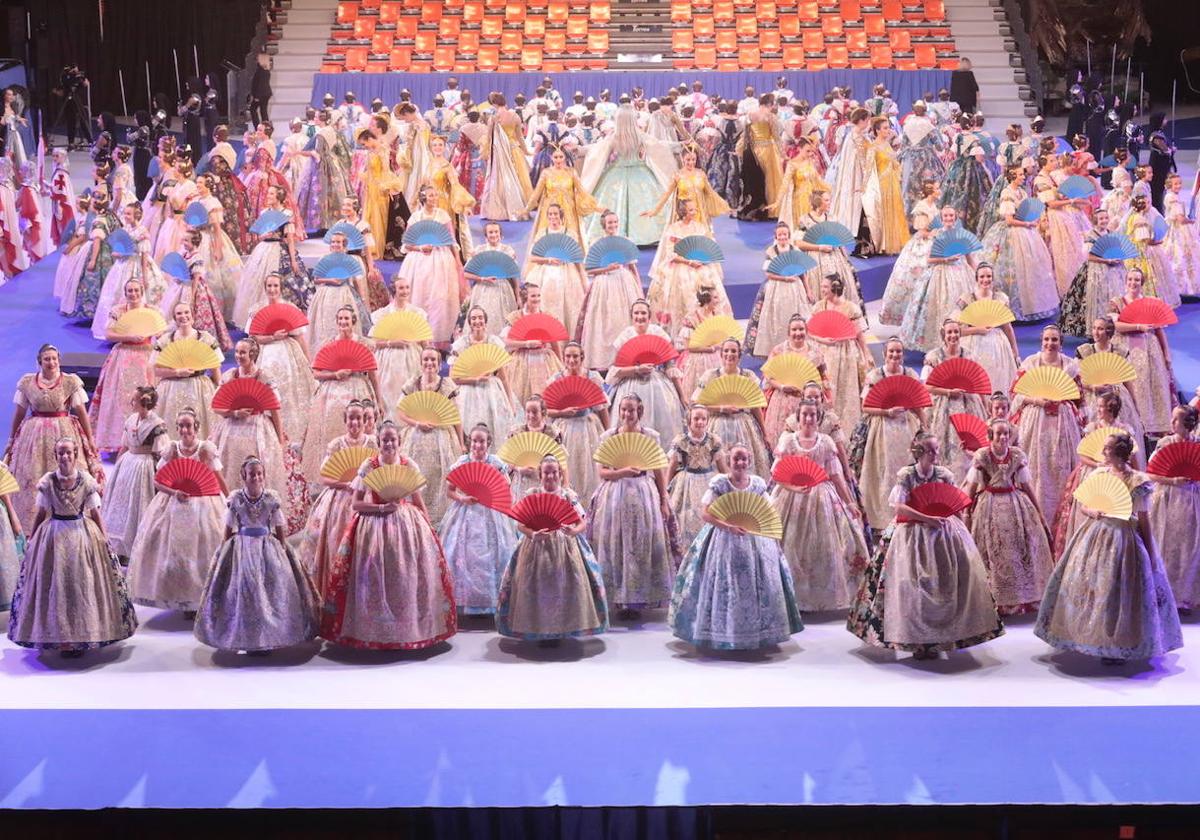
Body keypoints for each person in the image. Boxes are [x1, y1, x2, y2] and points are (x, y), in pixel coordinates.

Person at [848, 433, 1003, 659]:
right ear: (919, 453)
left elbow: (953, 504)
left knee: (948, 581)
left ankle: (944, 635)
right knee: (911, 583)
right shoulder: (907, 475)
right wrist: (926, 518)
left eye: (937, 449)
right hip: (910, 533)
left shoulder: (944, 475)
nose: (936, 454)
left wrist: (962, 527)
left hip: (942, 532)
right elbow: (899, 507)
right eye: (931, 450)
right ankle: (915, 639)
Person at [1035, 432, 1182, 664]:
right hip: (1096, 534)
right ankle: (1090, 637)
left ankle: (1118, 643)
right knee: (1092, 588)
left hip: (1125, 539)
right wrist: (1093, 512)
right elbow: (1084, 505)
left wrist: (1152, 554)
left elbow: (1144, 520)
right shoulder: (1100, 474)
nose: (1103, 452)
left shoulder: (1137, 481)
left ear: (1117, 453)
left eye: (1106, 449)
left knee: (1118, 590)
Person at [321, 421, 457, 650]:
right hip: (372, 527)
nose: (389, 444)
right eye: (385, 440)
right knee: (372, 575)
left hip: (406, 527)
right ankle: (372, 633)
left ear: (399, 442)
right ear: (379, 442)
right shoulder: (369, 465)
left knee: (407, 576)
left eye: (393, 439)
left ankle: (408, 632)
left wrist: (428, 531)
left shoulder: (408, 464)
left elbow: (418, 502)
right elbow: (356, 504)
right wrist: (381, 509)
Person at [7, 437, 137, 657]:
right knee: (56, 585)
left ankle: (83, 635)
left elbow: (95, 513)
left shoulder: (85, 481)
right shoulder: (48, 482)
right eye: (61, 453)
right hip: (54, 536)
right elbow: (40, 513)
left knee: (82, 583)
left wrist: (105, 540)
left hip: (81, 535)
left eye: (69, 452)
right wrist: (32, 540)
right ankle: (59, 637)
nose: (65, 457)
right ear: (55, 456)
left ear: (75, 455)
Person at [669, 444, 803, 650]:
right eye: (736, 459)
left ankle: (758, 632)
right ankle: (723, 632)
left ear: (749, 461)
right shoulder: (720, 484)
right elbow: (705, 513)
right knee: (724, 582)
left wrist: (773, 540)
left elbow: (767, 512)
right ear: (729, 461)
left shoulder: (757, 484)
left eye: (744, 459)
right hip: (722, 541)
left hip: (755, 542)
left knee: (759, 581)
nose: (740, 463)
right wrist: (728, 526)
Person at [194, 455, 320, 655]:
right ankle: (245, 635)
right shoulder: (236, 499)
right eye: (252, 474)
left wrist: (283, 549)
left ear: (264, 476)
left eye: (259, 474)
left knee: (270, 588)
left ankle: (269, 636)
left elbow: (279, 529)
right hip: (242, 547)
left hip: (266, 546)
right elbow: (229, 528)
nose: (256, 477)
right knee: (244, 589)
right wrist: (224, 551)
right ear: (244, 476)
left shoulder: (271, 499)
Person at [127, 407, 228, 613]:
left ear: (196, 427)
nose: (184, 430)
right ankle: (179, 597)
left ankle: (201, 597)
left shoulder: (206, 449)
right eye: (181, 426)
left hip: (203, 504)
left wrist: (228, 499)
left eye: (188, 425)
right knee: (172, 550)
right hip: (174, 504)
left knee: (205, 547)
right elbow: (158, 481)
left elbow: (217, 479)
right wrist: (174, 493)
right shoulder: (172, 449)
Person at [496, 454, 608, 642]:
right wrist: (533, 534)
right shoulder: (532, 494)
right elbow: (521, 524)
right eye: (546, 473)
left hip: (565, 546)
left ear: (560, 474)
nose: (550, 477)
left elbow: (582, 522)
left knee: (565, 586)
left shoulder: (568, 495)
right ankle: (539, 629)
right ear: (540, 474)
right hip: (535, 547)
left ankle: (562, 629)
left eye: (554, 472)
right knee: (535, 588)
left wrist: (573, 532)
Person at [773, 400, 868, 612]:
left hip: (823, 497)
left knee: (829, 545)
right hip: (791, 497)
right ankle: (790, 597)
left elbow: (835, 476)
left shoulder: (825, 442)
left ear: (818, 418)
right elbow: (778, 475)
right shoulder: (789, 441)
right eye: (805, 414)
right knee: (788, 545)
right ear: (798, 417)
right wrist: (793, 489)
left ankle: (822, 597)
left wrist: (850, 502)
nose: (808, 418)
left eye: (812, 415)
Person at [589, 395, 679, 617]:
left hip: (643, 495)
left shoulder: (650, 436)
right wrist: (622, 472)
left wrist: (663, 500)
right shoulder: (608, 437)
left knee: (641, 542)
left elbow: (659, 470)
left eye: (631, 410)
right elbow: (602, 472)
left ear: (640, 411)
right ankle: (618, 596)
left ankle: (638, 597)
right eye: (623, 410)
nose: (627, 414)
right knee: (615, 543)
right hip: (613, 496)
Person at [962, 418, 1054, 615]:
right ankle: (995, 599)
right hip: (989, 505)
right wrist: (966, 514)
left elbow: (1027, 485)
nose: (1003, 437)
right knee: (993, 549)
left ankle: (1020, 597)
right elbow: (970, 488)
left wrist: (1039, 512)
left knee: (1019, 546)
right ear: (990, 436)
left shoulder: (1017, 455)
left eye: (1006, 433)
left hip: (1015, 503)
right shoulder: (982, 456)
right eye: (999, 434)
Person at [298, 400, 378, 599]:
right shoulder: (336, 445)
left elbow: (381, 471)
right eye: (351, 418)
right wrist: (345, 484)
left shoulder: (373, 443)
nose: (355, 423)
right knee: (336, 542)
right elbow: (325, 476)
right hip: (339, 500)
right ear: (345, 420)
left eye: (358, 418)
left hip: (366, 496)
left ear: (364, 420)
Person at [439, 424, 520, 616]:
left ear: (488, 443)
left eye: (481, 441)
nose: (477, 445)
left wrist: (493, 493)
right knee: (462, 555)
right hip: (464, 512)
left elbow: (504, 487)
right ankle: (464, 601)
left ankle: (493, 603)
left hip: (491, 513)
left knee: (495, 551)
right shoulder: (462, 462)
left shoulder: (495, 462)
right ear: (470, 442)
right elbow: (449, 490)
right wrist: (463, 498)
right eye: (474, 441)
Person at [300, 307, 381, 483]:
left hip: (358, 387)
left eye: (347, 319)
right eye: (340, 319)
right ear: (337, 322)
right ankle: (331, 472)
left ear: (353, 321)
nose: (343, 323)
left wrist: (378, 400)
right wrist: (334, 375)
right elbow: (315, 373)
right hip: (330, 393)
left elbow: (373, 375)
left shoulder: (365, 344)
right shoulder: (328, 343)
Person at [1012, 325, 1083, 523]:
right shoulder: (1030, 364)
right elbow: (1016, 395)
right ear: (1041, 342)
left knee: (1061, 464)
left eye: (1054, 340)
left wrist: (1064, 402)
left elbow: (1079, 398)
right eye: (1047, 340)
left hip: (1063, 421)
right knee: (1037, 464)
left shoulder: (1070, 366)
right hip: (1035, 420)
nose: (1050, 344)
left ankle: (1062, 517)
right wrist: (1036, 400)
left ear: (1061, 344)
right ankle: (1036, 513)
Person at [856, 339, 926, 532]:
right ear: (885, 354)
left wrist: (925, 427)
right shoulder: (875, 376)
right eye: (891, 352)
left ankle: (910, 511)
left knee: (908, 465)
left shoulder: (910, 374)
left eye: (898, 352)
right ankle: (884, 516)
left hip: (907, 426)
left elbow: (918, 405)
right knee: (883, 469)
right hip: (882, 428)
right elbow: (866, 406)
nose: (895, 356)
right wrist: (887, 412)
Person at [579, 106, 677, 245]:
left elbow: (595, 151)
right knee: (649, 201)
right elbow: (660, 147)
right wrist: (680, 145)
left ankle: (612, 233)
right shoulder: (640, 136)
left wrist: (578, 149)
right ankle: (648, 235)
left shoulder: (613, 138)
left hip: (614, 176)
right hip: (641, 175)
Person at [90, 279, 161, 455]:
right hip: (123, 355)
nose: (133, 294)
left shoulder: (152, 311)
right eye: (130, 291)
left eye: (136, 290)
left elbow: (161, 330)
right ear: (125, 292)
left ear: (142, 291)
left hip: (146, 355)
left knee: (148, 394)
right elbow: (108, 333)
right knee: (120, 397)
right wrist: (129, 336)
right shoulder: (118, 310)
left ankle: (148, 437)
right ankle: (118, 441)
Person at [211, 338, 287, 499]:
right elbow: (216, 405)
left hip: (258, 427)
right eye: (237, 352)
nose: (238, 356)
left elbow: (274, 409)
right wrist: (234, 413)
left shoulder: (264, 376)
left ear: (252, 354)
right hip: (231, 427)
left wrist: (280, 438)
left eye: (242, 352)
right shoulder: (229, 375)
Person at [979, 166, 1058, 322]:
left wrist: (1032, 221)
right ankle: (1012, 308)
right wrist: (1026, 224)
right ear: (1013, 176)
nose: (1023, 177)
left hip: (1027, 233)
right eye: (1021, 175)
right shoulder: (1007, 193)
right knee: (1012, 269)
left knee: (1032, 267)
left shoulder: (1022, 192)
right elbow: (1009, 220)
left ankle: (1033, 306)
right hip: (1012, 233)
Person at [245, 275, 316, 446]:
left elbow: (299, 337)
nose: (272, 289)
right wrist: (271, 337)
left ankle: (293, 432)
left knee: (291, 389)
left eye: (275, 286)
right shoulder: (256, 310)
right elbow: (253, 338)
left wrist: (308, 362)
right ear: (265, 287)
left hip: (289, 352)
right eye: (269, 285)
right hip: (266, 352)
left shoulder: (290, 307)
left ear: (280, 287)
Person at [395, 349, 463, 524]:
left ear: (439, 364)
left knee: (441, 475)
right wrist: (416, 423)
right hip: (416, 436)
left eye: (433, 360)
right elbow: (401, 412)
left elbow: (456, 417)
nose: (429, 363)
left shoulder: (447, 385)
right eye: (426, 359)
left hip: (443, 437)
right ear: (421, 362)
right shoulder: (412, 384)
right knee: (415, 472)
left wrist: (462, 444)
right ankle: (415, 515)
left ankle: (439, 518)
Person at [101, 386, 169, 560]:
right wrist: (117, 466)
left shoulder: (157, 425)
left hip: (144, 466)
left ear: (144, 403)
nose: (132, 403)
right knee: (121, 503)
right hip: (128, 462)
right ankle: (118, 547)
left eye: (134, 400)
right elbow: (125, 444)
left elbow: (161, 453)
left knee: (138, 504)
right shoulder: (131, 419)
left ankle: (137, 547)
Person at [647, 200, 731, 337]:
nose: (695, 212)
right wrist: (689, 261)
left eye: (695, 209)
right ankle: (682, 330)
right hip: (680, 266)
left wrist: (703, 260)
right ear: (683, 212)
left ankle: (707, 327)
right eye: (691, 210)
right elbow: (670, 253)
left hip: (700, 266)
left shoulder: (699, 227)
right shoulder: (673, 229)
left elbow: (707, 247)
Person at [606, 300, 687, 443]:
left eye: (643, 313)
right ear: (632, 316)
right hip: (630, 384)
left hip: (658, 384)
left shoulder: (658, 333)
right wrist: (637, 369)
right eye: (636, 313)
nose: (640, 316)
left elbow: (670, 367)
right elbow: (615, 371)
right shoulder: (625, 336)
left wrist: (681, 395)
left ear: (649, 316)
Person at [1109, 268, 1177, 436]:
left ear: (1142, 283)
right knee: (1135, 385)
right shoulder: (1116, 302)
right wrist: (1138, 327)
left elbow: (1160, 330)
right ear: (1125, 282)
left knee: (1154, 384)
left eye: (1137, 280)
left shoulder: (1150, 302)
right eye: (1130, 279)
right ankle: (1138, 424)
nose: (1133, 283)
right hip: (1126, 349)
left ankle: (1156, 425)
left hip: (1150, 349)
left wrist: (1166, 353)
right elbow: (1116, 326)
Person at [898, 208, 977, 352]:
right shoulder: (936, 235)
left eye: (951, 215)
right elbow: (929, 259)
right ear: (941, 219)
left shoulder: (962, 235)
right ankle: (939, 342)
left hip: (961, 275)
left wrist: (976, 276)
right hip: (939, 274)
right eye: (946, 216)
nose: (948, 218)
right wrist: (945, 259)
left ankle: (962, 340)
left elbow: (970, 258)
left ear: (955, 217)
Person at [691, 339, 772, 479]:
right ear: (721, 355)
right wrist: (721, 408)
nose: (730, 354)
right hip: (717, 425)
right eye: (726, 351)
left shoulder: (748, 375)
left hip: (744, 425)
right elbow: (697, 404)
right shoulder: (710, 375)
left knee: (744, 461)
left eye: (733, 351)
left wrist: (764, 433)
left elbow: (755, 407)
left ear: (739, 355)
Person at [922, 319, 989, 482]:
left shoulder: (969, 355)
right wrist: (948, 392)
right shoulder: (933, 357)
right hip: (942, 406)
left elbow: (978, 383)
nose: (953, 336)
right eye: (949, 332)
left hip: (969, 405)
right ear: (943, 335)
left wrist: (986, 408)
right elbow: (927, 387)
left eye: (956, 332)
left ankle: (969, 479)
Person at [398, 184, 465, 347]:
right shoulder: (415, 217)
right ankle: (418, 336)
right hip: (418, 260)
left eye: (436, 195)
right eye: (430, 196)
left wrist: (457, 261)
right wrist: (420, 247)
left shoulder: (443, 216)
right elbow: (406, 244)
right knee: (418, 294)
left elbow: (451, 240)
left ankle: (439, 337)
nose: (434, 198)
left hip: (441, 259)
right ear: (423, 198)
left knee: (440, 298)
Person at [234, 189, 314, 323]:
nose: (268, 196)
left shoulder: (286, 214)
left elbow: (289, 239)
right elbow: (259, 235)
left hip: (279, 249)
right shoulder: (265, 212)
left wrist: (293, 260)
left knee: (289, 283)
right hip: (263, 249)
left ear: (279, 196)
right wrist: (264, 235)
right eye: (268, 193)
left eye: (271, 193)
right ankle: (258, 318)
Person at [579, 211, 644, 371]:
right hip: (604, 282)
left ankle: (628, 355)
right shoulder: (597, 243)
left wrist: (639, 288)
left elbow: (632, 266)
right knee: (604, 321)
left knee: (624, 318)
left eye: (615, 222)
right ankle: (605, 359)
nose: (613, 226)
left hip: (624, 282)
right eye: (610, 223)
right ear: (604, 225)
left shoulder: (625, 242)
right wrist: (606, 268)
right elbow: (589, 270)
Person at [1149, 406, 1200, 610]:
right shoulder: (1164, 443)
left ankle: (1186, 597)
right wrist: (1171, 480)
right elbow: (1151, 473)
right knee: (1165, 544)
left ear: (1187, 424)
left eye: (1176, 420)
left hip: (1192, 502)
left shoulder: (1197, 444)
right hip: (1167, 500)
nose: (1172, 424)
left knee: (1189, 548)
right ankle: (1164, 594)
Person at [1075, 317, 1147, 455]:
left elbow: (1128, 380)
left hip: (1117, 394)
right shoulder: (1084, 351)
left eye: (1100, 329)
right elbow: (1078, 379)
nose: (1096, 332)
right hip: (1092, 396)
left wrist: (1136, 405)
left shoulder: (1120, 351)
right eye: (1094, 328)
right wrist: (1093, 387)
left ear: (1108, 332)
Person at [745, 223, 814, 359]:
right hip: (776, 288)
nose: (782, 237)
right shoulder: (771, 251)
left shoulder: (795, 250)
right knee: (775, 318)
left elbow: (803, 274)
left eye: (785, 234)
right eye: (780, 234)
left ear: (788, 236)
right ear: (776, 236)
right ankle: (775, 350)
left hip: (795, 288)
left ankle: (798, 348)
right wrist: (783, 278)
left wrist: (808, 290)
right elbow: (768, 274)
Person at [448, 305, 519, 436]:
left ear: (485, 321)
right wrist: (475, 379)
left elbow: (503, 377)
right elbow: (453, 378)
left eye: (480, 318)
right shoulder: (461, 345)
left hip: (491, 390)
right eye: (473, 318)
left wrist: (510, 402)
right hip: (467, 393)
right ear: (469, 323)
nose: (477, 321)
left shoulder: (493, 342)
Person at [1057, 208, 1127, 338]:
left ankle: (1113, 328)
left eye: (1106, 218)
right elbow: (1089, 256)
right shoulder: (1091, 235)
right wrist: (1106, 260)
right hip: (1096, 270)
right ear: (1095, 220)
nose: (1104, 221)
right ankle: (1096, 330)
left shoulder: (1110, 233)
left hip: (1112, 272)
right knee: (1096, 299)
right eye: (1101, 219)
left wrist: (1117, 259)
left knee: (1113, 298)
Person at [522, 202, 589, 337]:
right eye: (550, 214)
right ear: (547, 216)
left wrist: (583, 279)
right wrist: (547, 260)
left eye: (555, 214)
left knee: (569, 306)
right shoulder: (542, 233)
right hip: (545, 271)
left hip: (567, 272)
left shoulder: (569, 233)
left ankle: (566, 335)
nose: (553, 217)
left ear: (561, 216)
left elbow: (576, 258)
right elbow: (532, 257)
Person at [953, 263, 1021, 394]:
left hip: (997, 343)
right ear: (976, 279)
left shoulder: (1001, 298)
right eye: (982, 277)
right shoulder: (966, 299)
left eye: (989, 276)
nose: (985, 280)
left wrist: (1015, 351)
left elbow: (1008, 328)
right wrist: (977, 329)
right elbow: (956, 331)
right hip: (972, 343)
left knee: (998, 375)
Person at [666, 404, 727, 550]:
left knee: (708, 514)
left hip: (708, 480)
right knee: (686, 517)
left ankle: (707, 547)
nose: (700, 422)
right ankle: (687, 549)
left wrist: (727, 485)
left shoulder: (714, 441)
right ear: (689, 421)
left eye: (703, 419)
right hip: (686, 482)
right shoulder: (681, 441)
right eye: (696, 419)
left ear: (707, 421)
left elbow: (722, 467)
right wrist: (665, 489)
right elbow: (672, 466)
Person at [371, 274, 430, 412]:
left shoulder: (417, 313)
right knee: (390, 391)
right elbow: (374, 342)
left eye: (407, 288)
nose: (405, 291)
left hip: (412, 356)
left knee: (411, 391)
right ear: (394, 291)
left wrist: (428, 356)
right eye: (401, 288)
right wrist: (391, 343)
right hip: (388, 359)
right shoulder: (383, 314)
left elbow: (424, 340)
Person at [861, 117, 910, 256]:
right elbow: (868, 168)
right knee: (883, 212)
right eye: (885, 128)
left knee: (895, 210)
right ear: (877, 130)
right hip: (881, 185)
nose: (888, 130)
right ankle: (883, 244)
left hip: (892, 183)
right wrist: (864, 186)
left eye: (889, 127)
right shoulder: (873, 147)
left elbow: (894, 163)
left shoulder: (887, 145)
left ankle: (895, 241)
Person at [939, 115, 993, 235]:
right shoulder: (974, 139)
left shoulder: (958, 137)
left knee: (952, 193)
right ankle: (971, 224)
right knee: (975, 193)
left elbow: (953, 154)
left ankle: (952, 222)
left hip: (957, 167)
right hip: (971, 169)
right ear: (970, 125)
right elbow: (979, 158)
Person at [736, 94, 785, 222]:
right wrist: (783, 154)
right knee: (771, 180)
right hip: (768, 150)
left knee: (758, 179)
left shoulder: (751, 114)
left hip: (754, 151)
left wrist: (740, 149)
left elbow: (746, 135)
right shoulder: (771, 117)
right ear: (770, 103)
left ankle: (756, 205)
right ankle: (770, 208)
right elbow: (776, 137)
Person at [897, 101, 946, 215]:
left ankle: (909, 215)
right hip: (926, 158)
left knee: (909, 186)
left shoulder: (907, 124)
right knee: (929, 185)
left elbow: (903, 145)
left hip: (910, 158)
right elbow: (939, 146)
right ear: (924, 111)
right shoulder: (928, 125)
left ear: (914, 110)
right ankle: (928, 215)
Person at [773, 138, 831, 232]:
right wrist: (777, 202)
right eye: (807, 151)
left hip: (813, 199)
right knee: (803, 229)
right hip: (799, 200)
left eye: (811, 151)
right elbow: (785, 184)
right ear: (799, 149)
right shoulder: (792, 164)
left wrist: (831, 190)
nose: (810, 154)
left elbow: (818, 179)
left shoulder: (810, 161)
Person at [1161, 173, 1200, 296]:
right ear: (1169, 185)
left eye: (1180, 183)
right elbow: (1180, 219)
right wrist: (1191, 221)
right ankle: (1181, 286)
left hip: (1171, 226)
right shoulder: (1173, 198)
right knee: (1180, 255)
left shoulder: (1170, 195)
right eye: (1176, 184)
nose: (1179, 186)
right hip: (1178, 230)